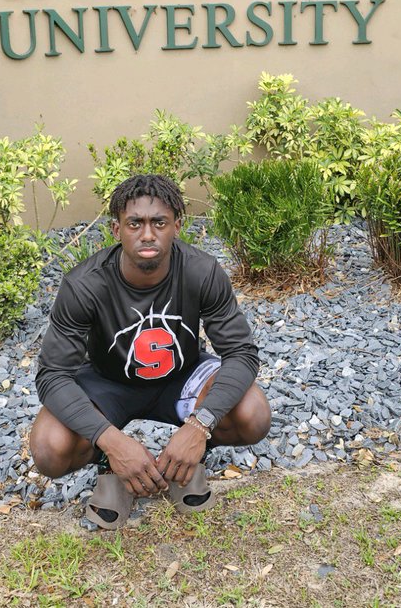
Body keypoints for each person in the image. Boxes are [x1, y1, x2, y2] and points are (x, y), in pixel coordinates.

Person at [30, 173, 271, 529]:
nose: (147, 234)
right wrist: (111, 442)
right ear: (116, 230)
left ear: (177, 225)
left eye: (159, 222)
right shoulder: (84, 285)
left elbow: (241, 353)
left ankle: (185, 461)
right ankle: (112, 468)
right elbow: (52, 376)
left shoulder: (201, 271)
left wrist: (199, 427)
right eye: (135, 223)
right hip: (107, 383)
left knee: (254, 414)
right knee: (50, 448)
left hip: (182, 377)